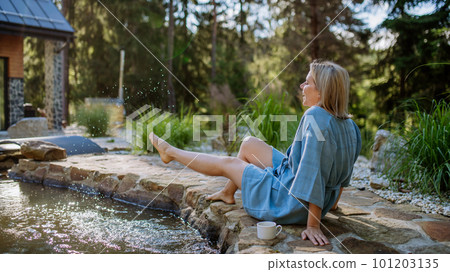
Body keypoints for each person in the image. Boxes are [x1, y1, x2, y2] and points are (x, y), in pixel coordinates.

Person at [149, 60, 361, 246]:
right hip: (303, 191)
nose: (302, 86)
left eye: (308, 82)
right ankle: (227, 192)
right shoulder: (350, 125)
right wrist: (330, 204)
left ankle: (170, 152)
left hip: (288, 202)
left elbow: (314, 173)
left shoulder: (315, 115)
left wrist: (313, 225)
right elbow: (344, 172)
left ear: (322, 92)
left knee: (227, 164)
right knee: (249, 143)